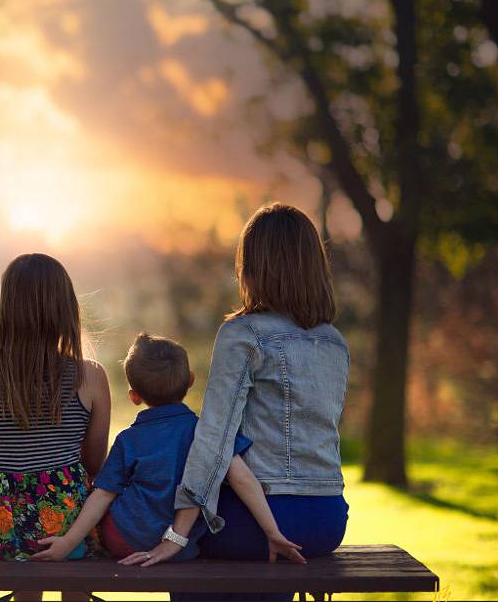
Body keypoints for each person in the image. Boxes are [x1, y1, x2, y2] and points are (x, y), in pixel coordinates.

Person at [122, 203, 350, 601]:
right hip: (328, 520)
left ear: (253, 267)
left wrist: (176, 535)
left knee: (189, 547)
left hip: (260, 521)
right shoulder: (334, 341)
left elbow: (214, 438)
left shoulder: (243, 334)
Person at [32, 333, 303, 564]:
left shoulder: (130, 439)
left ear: (134, 397)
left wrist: (68, 542)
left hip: (121, 540)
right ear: (190, 380)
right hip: (181, 547)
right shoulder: (207, 434)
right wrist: (272, 531)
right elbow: (243, 479)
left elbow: (102, 495)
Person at [0, 253, 111, 599]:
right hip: (66, 521)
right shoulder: (89, 375)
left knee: (27, 564)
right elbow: (94, 464)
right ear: (65, 308)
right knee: (75, 534)